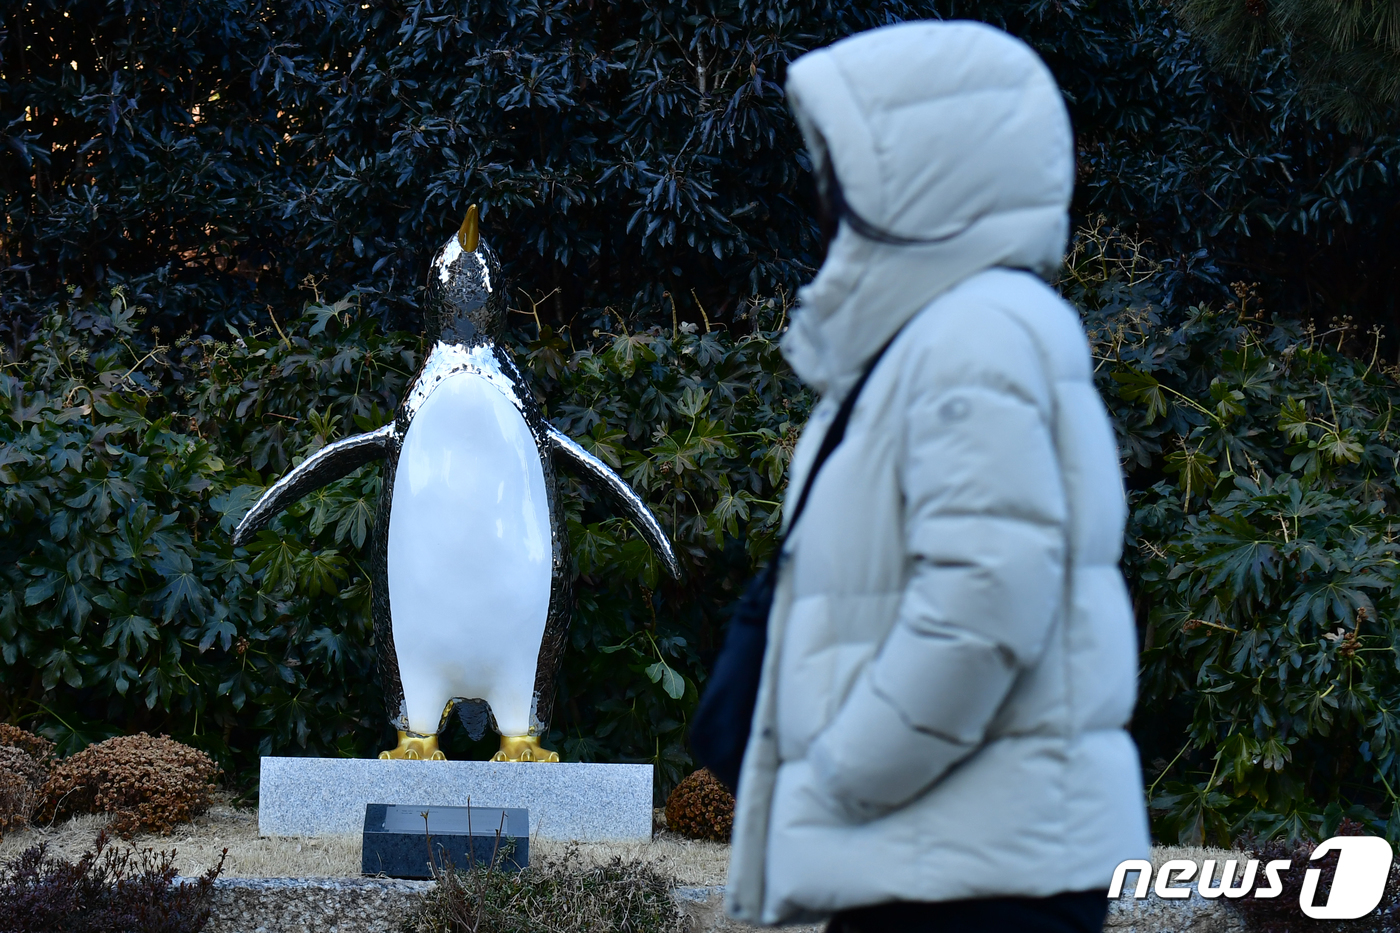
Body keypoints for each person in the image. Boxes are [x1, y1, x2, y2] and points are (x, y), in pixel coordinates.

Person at [723, 20, 1151, 933]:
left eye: (853, 160)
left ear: (925, 170)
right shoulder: (943, 332)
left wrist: (847, 770)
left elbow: (985, 594)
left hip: (967, 874)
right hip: (948, 854)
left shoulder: (972, 334)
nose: (827, 187)